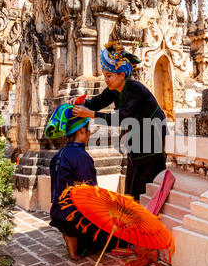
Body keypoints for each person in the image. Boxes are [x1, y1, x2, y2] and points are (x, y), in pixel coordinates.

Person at [70, 42, 167, 201]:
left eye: (109, 75)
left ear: (122, 74)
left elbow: (122, 117)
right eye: (105, 75)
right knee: (132, 185)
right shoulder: (114, 90)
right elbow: (97, 102)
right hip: (136, 140)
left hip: (152, 138)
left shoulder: (135, 89)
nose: (106, 79)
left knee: (147, 185)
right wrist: (80, 102)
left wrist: (91, 114)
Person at [45, 103, 125, 260]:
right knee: (118, 239)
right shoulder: (81, 157)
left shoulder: (58, 155)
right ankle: (75, 238)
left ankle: (71, 236)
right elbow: (90, 193)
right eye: (88, 130)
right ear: (82, 130)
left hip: (58, 213)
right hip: (75, 219)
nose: (89, 133)